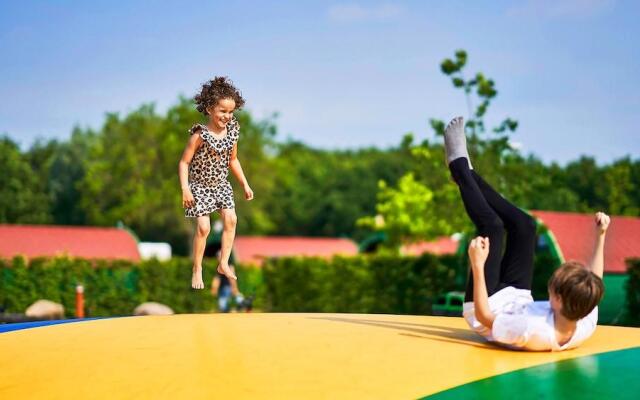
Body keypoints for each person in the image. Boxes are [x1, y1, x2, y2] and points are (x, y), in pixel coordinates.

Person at [444, 116, 609, 351]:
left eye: (552, 289)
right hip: (516, 297)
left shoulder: (530, 330)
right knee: (526, 226)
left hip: (487, 305)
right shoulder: (583, 316)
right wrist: (601, 235)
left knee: (493, 228)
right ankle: (468, 174)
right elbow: (596, 281)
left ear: (558, 300)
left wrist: (477, 266)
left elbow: (484, 317)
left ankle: (458, 166)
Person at [178, 77, 254, 289]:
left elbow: (233, 160)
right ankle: (197, 268)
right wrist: (185, 189)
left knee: (231, 219)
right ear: (210, 109)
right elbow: (184, 163)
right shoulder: (199, 135)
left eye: (231, 112)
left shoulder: (232, 133)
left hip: (221, 185)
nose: (227, 116)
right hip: (200, 186)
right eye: (223, 111)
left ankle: (223, 263)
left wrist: (245, 184)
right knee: (204, 227)